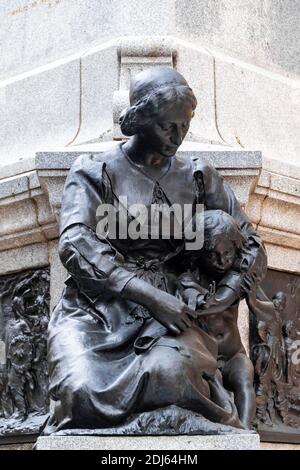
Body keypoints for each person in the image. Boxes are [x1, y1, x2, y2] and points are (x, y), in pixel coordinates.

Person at [45, 67, 267, 434]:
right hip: (98, 310)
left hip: (175, 310)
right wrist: (147, 296)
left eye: (185, 126)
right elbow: (74, 242)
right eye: (168, 126)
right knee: (78, 391)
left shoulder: (199, 175)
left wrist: (223, 296)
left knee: (171, 376)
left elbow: (252, 244)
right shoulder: (94, 171)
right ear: (141, 119)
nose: (178, 137)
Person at [175, 210, 256, 428]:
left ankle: (246, 432)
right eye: (212, 255)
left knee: (244, 378)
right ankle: (231, 427)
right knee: (213, 382)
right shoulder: (188, 280)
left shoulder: (236, 276)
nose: (221, 261)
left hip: (233, 354)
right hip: (208, 358)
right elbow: (201, 306)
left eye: (227, 254)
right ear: (199, 253)